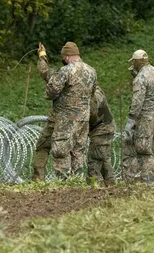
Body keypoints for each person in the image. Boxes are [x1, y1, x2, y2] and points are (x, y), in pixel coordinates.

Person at [32, 42, 97, 180]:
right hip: (83, 118)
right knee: (78, 150)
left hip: (65, 118)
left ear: (66, 57)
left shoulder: (66, 71)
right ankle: (77, 180)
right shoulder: (92, 71)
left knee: (61, 149)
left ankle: (63, 182)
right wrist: (43, 56)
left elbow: (51, 92)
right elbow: (92, 95)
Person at [122, 49, 154, 183]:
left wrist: (131, 121)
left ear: (136, 62)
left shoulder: (140, 78)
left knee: (144, 150)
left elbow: (137, 102)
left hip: (145, 119)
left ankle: (148, 182)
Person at [87, 86, 116, 187]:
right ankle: (110, 183)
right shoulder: (94, 91)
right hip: (105, 128)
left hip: (101, 129)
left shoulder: (95, 94)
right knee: (104, 157)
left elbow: (93, 112)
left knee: (94, 159)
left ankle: (96, 185)